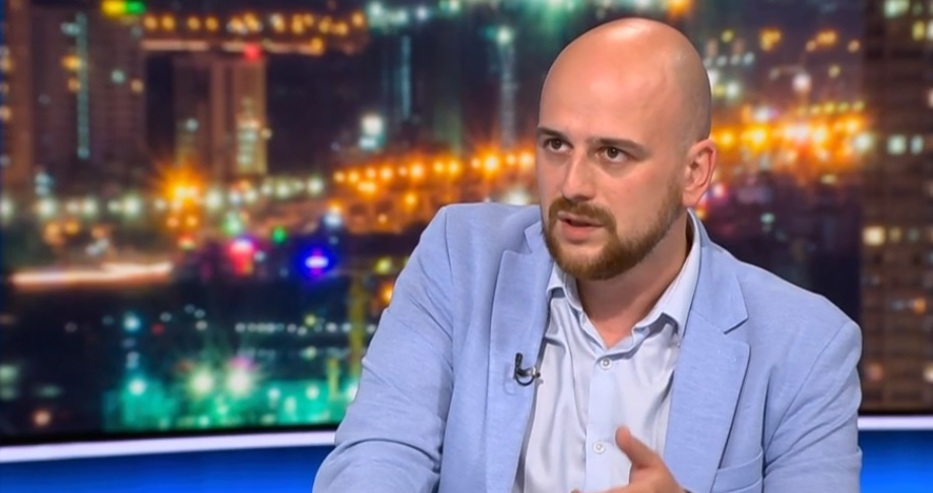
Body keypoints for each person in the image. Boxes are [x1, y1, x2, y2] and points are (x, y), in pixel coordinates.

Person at [313, 17, 862, 493]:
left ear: (694, 172)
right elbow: (376, 457)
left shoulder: (805, 347)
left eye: (612, 153)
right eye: (556, 145)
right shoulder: (461, 260)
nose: (572, 184)